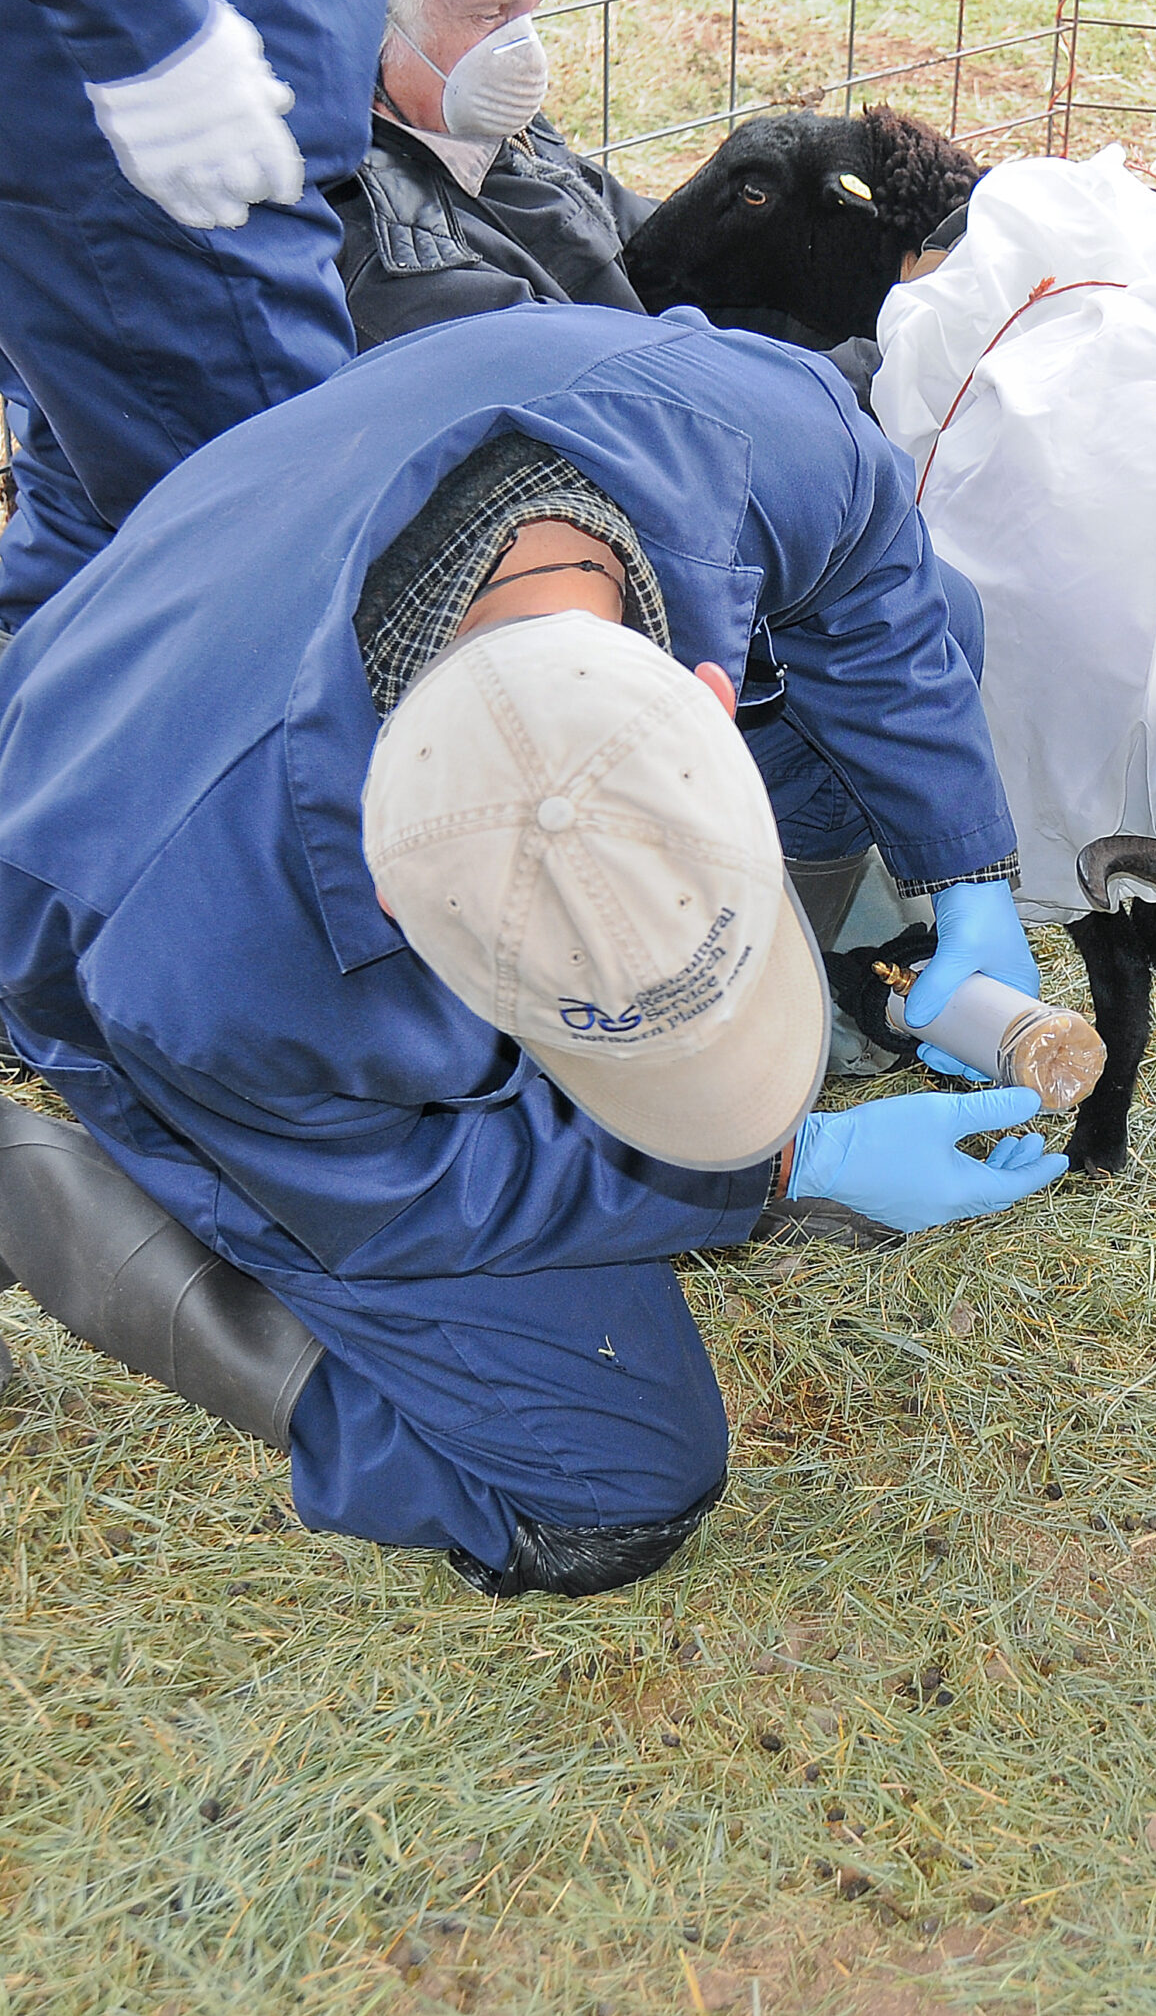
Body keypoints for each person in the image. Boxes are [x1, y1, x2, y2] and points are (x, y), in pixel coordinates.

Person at [0, 303, 1067, 1596]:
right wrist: (781, 1170)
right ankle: (42, 1190)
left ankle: (716, 1029)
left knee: (938, 617)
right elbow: (408, 1189)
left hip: (244, 665)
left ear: (702, 694)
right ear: (413, 921)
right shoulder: (220, 962)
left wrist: (967, 876)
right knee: (608, 1486)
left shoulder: (727, 427)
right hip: (96, 882)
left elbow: (874, 577)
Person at [0, 0, 391, 630]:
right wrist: (147, 32)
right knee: (277, 555)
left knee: (97, 503)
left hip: (189, 64)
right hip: (161, 119)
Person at [331, 0, 660, 352]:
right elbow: (607, 379)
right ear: (374, 18)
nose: (524, 53)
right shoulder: (390, 256)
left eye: (532, 11)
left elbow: (656, 243)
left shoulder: (498, 133)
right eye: (490, 15)